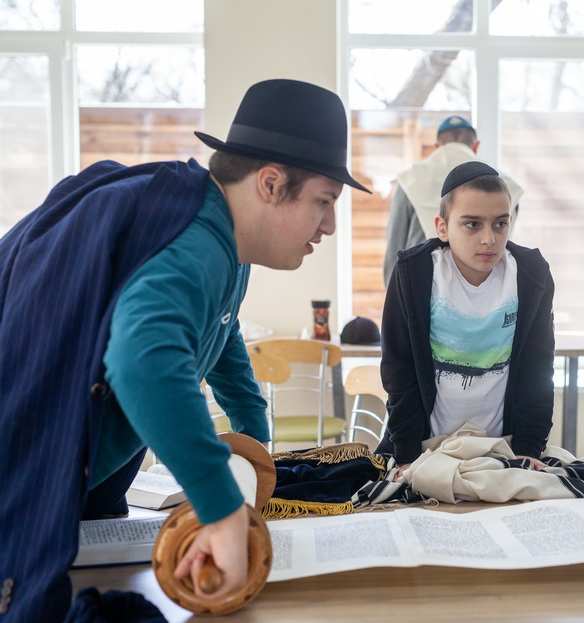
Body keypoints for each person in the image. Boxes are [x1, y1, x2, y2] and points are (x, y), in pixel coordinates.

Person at [0, 79, 369, 622]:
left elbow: (219, 333)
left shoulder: (222, 241)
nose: (331, 225)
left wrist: (254, 444)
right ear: (270, 184)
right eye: (324, 201)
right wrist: (222, 509)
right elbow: (144, 363)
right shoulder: (195, 244)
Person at [377, 161, 554, 475]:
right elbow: (398, 370)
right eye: (472, 224)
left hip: (503, 449)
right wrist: (406, 455)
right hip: (424, 448)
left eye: (500, 224)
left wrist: (527, 450)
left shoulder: (531, 274)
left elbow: (538, 372)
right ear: (442, 227)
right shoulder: (413, 272)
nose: (489, 239)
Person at [382, 115, 524, 286]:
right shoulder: (503, 183)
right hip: (484, 287)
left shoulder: (410, 179)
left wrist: (394, 293)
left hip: (419, 282)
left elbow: (395, 246)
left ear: (436, 147)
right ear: (476, 146)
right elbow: (502, 248)